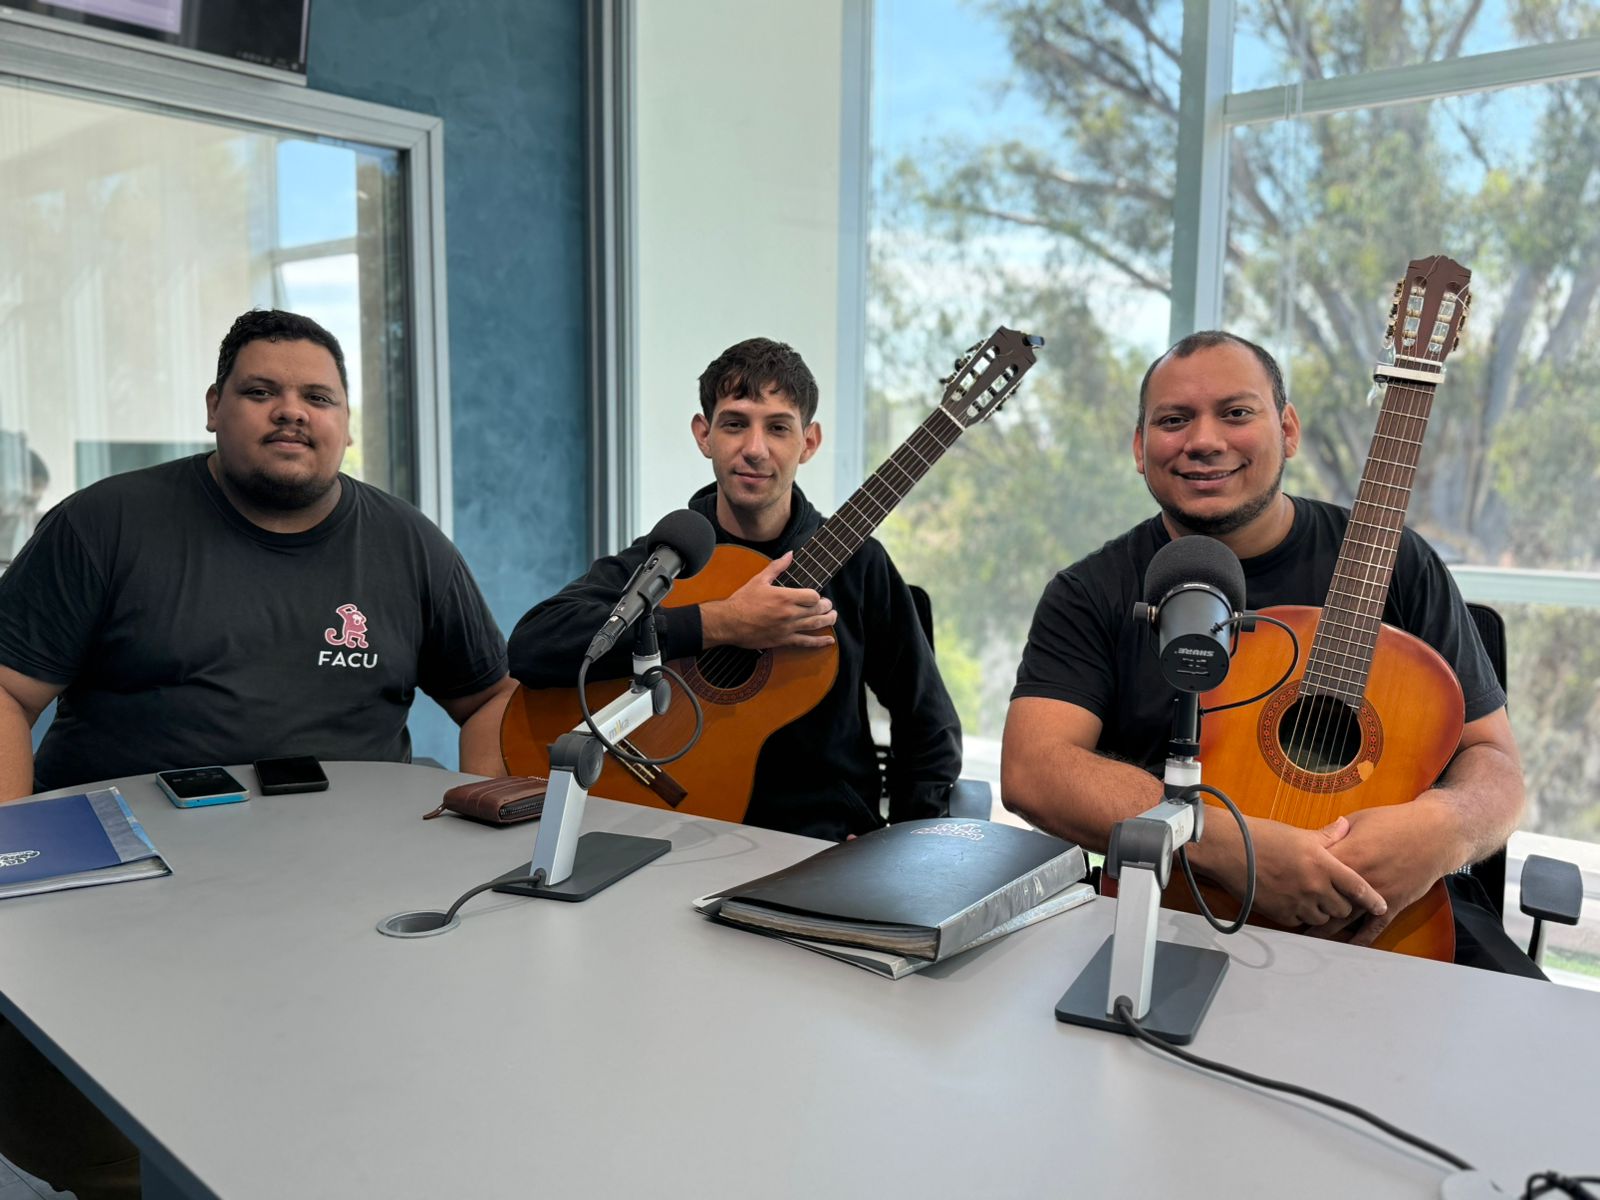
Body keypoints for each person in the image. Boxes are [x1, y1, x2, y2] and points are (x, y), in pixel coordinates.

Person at [0, 309, 517, 1197]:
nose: (291, 412)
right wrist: (13, 870)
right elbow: (8, 690)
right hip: (131, 910)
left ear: (347, 425)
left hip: (354, 906)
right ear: (214, 406)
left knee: (382, 1124)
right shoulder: (105, 525)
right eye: (261, 391)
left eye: (317, 397)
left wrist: (488, 805)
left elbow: (492, 694)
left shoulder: (407, 544)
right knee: (136, 1158)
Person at [1001, 330, 1534, 976]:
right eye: (1174, 420)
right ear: (1141, 449)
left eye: (1235, 412)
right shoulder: (1091, 592)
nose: (1204, 440)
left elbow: (1496, 764)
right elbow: (1033, 769)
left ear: (1288, 430)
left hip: (1398, 915)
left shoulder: (1396, 563)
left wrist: (1445, 828)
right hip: (1182, 908)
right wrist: (1221, 842)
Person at [509, 336, 961, 841]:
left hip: (817, 842)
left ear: (808, 443)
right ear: (704, 435)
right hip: (673, 831)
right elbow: (533, 646)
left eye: (778, 427)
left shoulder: (858, 564)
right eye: (734, 423)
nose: (754, 448)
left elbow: (930, 727)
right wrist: (718, 623)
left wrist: (904, 849)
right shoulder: (673, 552)